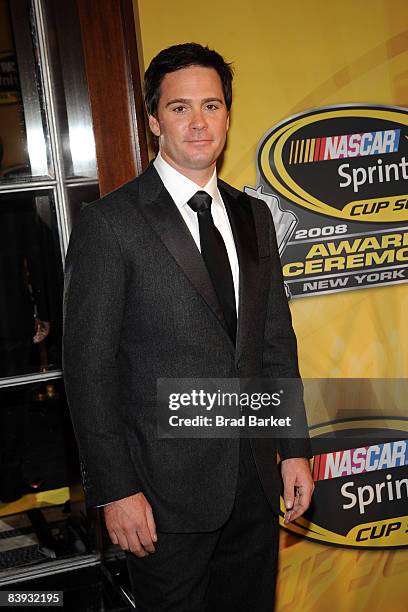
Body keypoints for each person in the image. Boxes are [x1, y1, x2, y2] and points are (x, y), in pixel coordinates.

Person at [63, 43, 314, 611]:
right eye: (180, 108)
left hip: (254, 482)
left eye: (212, 105)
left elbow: (275, 342)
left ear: (228, 114)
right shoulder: (110, 224)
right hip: (160, 497)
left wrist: (294, 449)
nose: (199, 123)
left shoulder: (254, 216)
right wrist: (116, 490)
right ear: (153, 120)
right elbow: (88, 370)